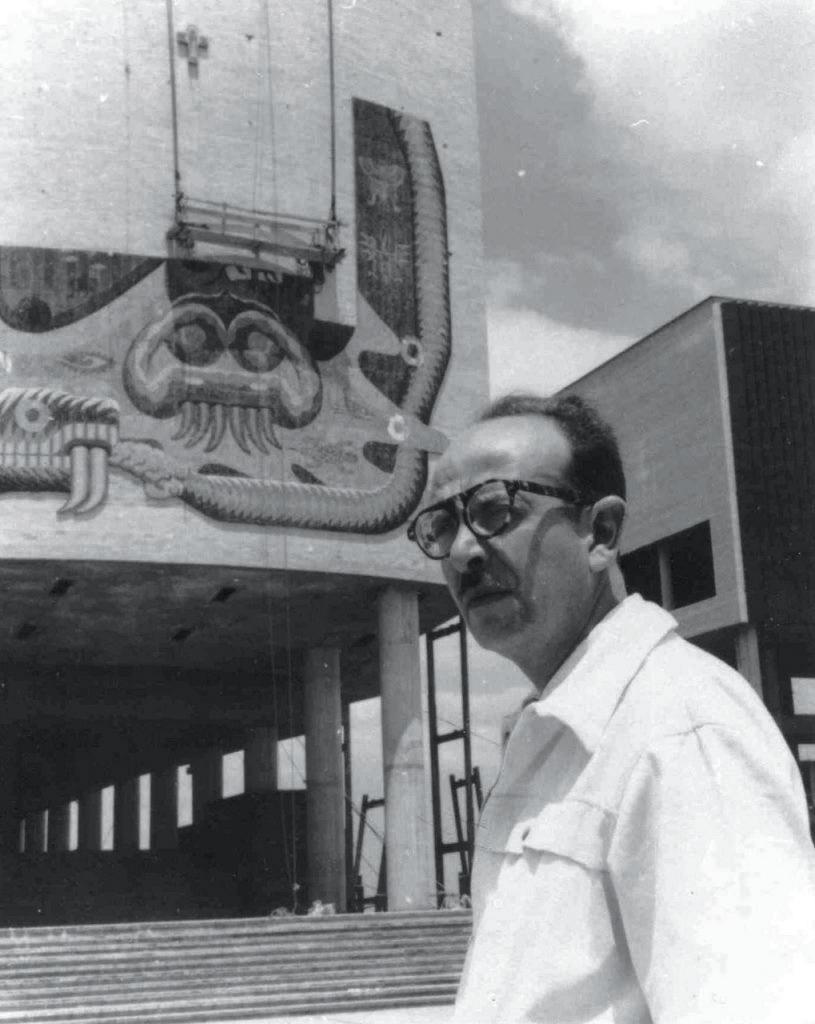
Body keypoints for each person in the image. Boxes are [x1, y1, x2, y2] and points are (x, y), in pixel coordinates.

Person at [408, 392, 815, 1023]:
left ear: (600, 533)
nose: (463, 550)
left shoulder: (679, 730)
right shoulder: (560, 732)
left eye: (495, 510)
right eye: (441, 526)